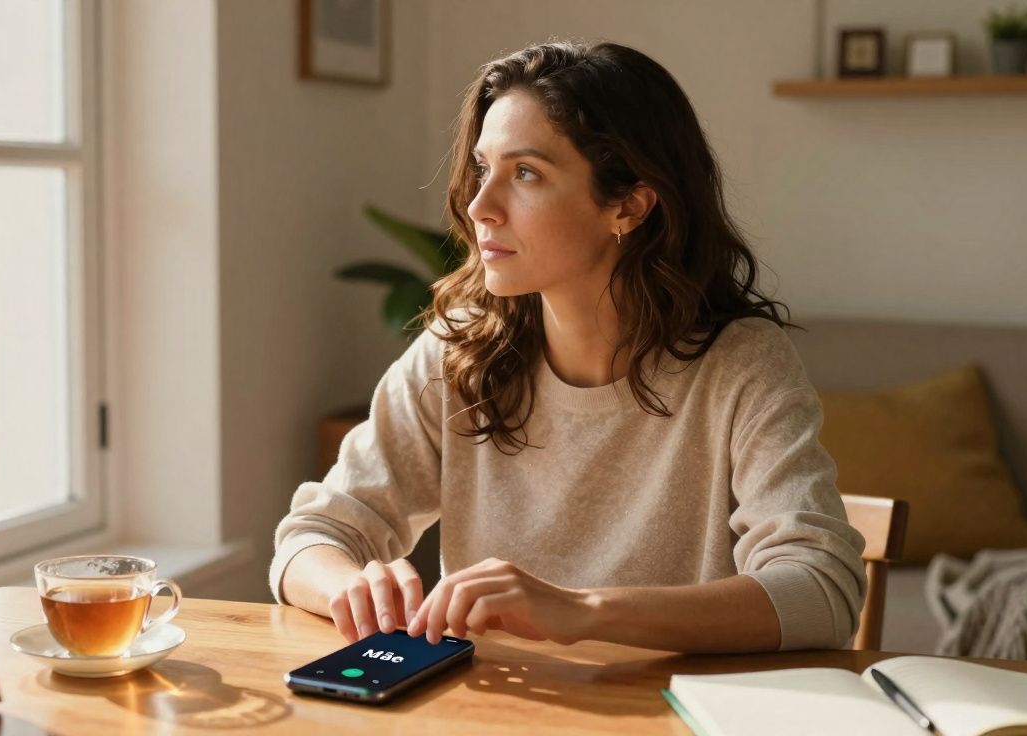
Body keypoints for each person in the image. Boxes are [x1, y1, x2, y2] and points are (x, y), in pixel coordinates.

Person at [270, 41, 866, 654]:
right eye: (483, 168)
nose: (480, 206)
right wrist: (350, 585)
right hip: (492, 710)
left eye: (525, 173)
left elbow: (822, 591)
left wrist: (583, 612)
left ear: (629, 205)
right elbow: (310, 538)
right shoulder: (456, 353)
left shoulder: (740, 365)